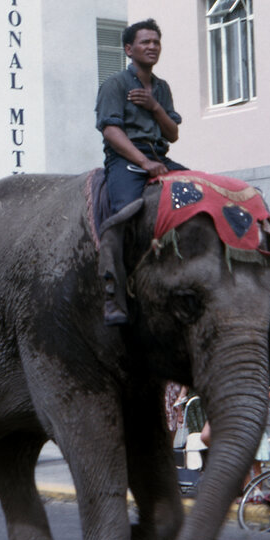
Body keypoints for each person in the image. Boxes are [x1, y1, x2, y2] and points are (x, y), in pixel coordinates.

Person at [95, 18, 186, 325]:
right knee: (125, 214)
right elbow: (110, 131)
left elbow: (172, 134)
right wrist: (144, 163)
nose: (152, 47)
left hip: (161, 157)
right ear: (128, 49)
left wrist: (154, 107)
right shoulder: (115, 84)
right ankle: (113, 292)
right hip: (126, 161)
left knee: (199, 192)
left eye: (156, 42)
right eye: (145, 42)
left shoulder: (161, 88)